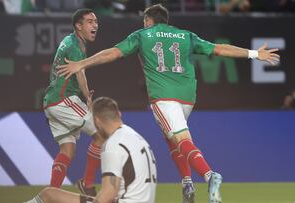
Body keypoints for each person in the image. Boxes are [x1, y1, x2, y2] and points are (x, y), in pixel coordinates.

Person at [57, 4, 280, 203]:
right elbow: (219, 48)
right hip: (187, 98)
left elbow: (113, 53)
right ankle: (186, 182)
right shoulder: (186, 35)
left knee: (180, 138)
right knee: (173, 137)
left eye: (144, 21)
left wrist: (82, 63)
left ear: (148, 21)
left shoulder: (142, 35)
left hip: (164, 97)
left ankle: (209, 175)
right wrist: (254, 53)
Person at [25, 97, 157, 203]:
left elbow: (107, 195)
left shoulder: (113, 145)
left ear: (97, 121)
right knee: (51, 194)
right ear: (119, 114)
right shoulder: (135, 136)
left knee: (49, 195)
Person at [42, 8, 104, 196]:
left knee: (67, 151)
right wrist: (88, 98)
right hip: (64, 100)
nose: (95, 25)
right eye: (90, 21)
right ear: (78, 25)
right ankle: (88, 183)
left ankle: (51, 195)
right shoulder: (75, 46)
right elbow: (80, 72)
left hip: (51, 103)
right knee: (101, 134)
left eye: (96, 21)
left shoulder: (70, 41)